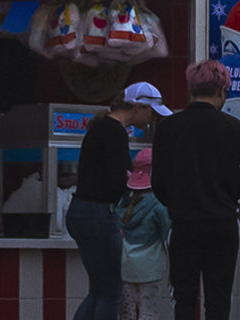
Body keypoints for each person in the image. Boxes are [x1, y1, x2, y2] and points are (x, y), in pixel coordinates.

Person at [158, 59, 240, 320]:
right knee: (219, 300)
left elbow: (159, 184)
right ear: (222, 90)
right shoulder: (235, 128)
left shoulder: (169, 128)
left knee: (185, 299)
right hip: (222, 223)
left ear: (192, 89)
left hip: (184, 224)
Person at [69, 82, 169, 320]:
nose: (153, 119)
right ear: (138, 107)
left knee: (101, 290)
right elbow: (119, 181)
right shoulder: (114, 131)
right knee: (112, 290)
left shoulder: (102, 127)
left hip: (81, 212)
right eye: (151, 112)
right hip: (98, 214)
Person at [117, 149, 175, 320]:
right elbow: (166, 229)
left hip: (128, 264)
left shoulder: (125, 201)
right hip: (150, 265)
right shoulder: (157, 203)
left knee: (139, 306)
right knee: (149, 311)